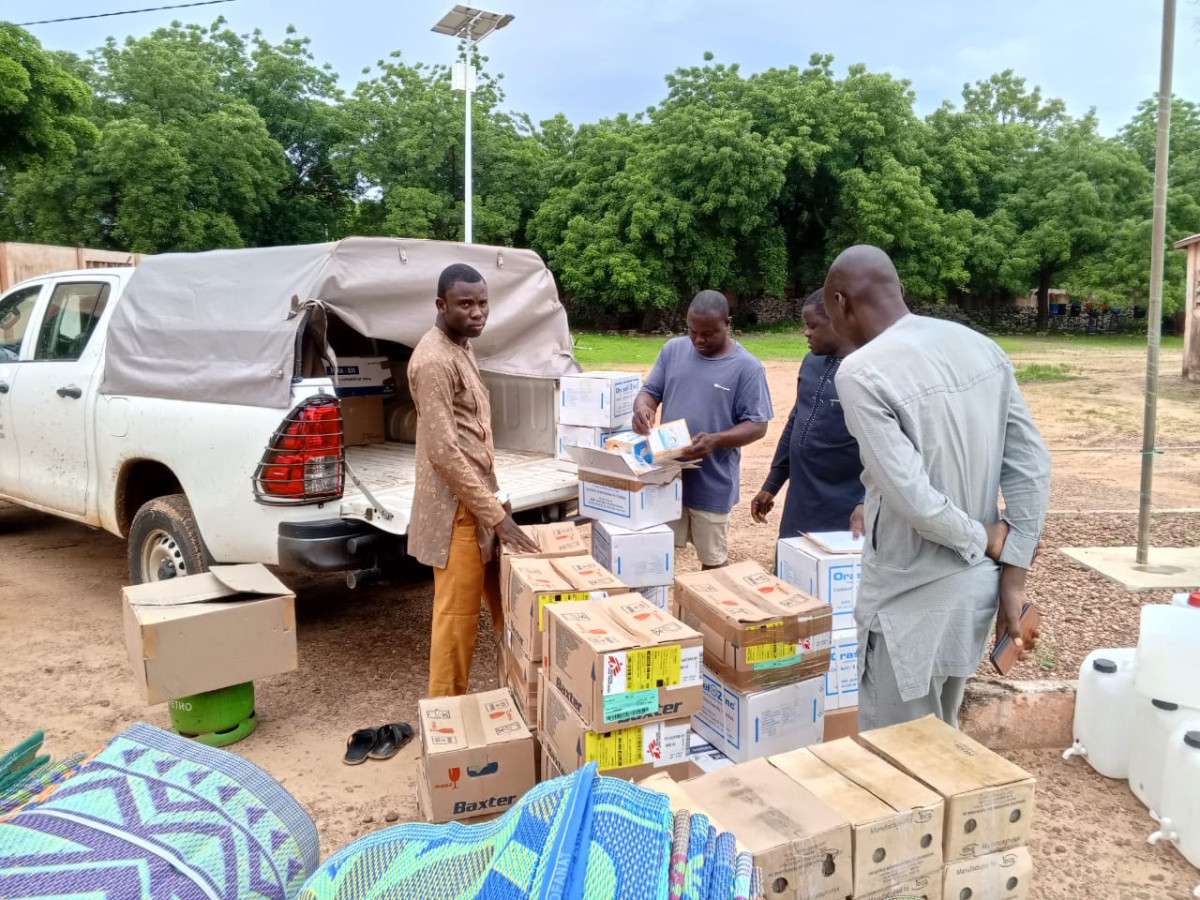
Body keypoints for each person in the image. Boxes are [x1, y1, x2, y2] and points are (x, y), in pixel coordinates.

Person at [822, 245, 1051, 731]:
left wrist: (981, 538)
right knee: (943, 742)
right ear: (899, 290)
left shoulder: (862, 371)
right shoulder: (977, 344)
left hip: (910, 603)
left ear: (841, 303)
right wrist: (1014, 577)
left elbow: (912, 498)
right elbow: (1031, 463)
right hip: (973, 595)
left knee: (899, 760)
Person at [408, 263, 539, 698]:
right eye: (465, 304)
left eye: (482, 303)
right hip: (456, 515)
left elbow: (473, 437)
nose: (477, 312)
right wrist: (494, 516)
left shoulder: (462, 347)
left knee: (510, 609)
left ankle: (526, 698)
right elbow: (444, 451)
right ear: (441, 305)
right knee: (456, 625)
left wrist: (497, 500)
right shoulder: (432, 360)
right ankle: (447, 727)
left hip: (481, 505)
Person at [632, 290, 773, 570]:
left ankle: (708, 609)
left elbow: (758, 425)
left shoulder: (747, 368)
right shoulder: (673, 350)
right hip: (667, 479)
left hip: (713, 483)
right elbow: (650, 391)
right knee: (656, 555)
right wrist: (642, 407)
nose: (698, 339)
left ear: (727, 324)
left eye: (708, 333)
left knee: (712, 564)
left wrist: (716, 441)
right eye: (692, 331)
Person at [750, 288, 865, 539]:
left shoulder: (868, 371)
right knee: (790, 570)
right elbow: (795, 423)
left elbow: (890, 447)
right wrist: (773, 483)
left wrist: (865, 502)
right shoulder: (811, 362)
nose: (806, 332)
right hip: (801, 501)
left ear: (836, 322)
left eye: (812, 326)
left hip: (846, 506)